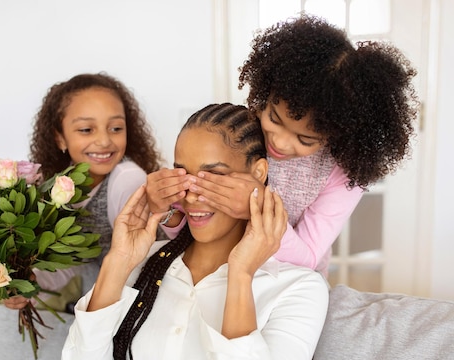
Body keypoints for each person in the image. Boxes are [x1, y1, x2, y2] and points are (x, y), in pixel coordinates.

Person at [59, 103, 329, 360]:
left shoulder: (298, 289)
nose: (191, 195)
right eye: (183, 175)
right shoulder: (147, 263)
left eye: (213, 176)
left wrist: (240, 276)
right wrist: (118, 260)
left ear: (258, 174)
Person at [146, 14, 419, 276]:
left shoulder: (342, 174)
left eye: (305, 139)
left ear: (338, 134)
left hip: (290, 284)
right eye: (274, 118)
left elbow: (308, 258)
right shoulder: (240, 133)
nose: (279, 141)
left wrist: (257, 207)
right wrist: (168, 208)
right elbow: (195, 222)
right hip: (220, 275)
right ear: (267, 93)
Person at [5, 72, 164, 310]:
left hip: (146, 298)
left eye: (116, 128)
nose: (103, 141)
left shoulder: (127, 180)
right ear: (60, 138)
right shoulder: (59, 183)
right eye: (87, 130)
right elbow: (70, 260)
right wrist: (31, 285)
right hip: (107, 298)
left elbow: (137, 266)